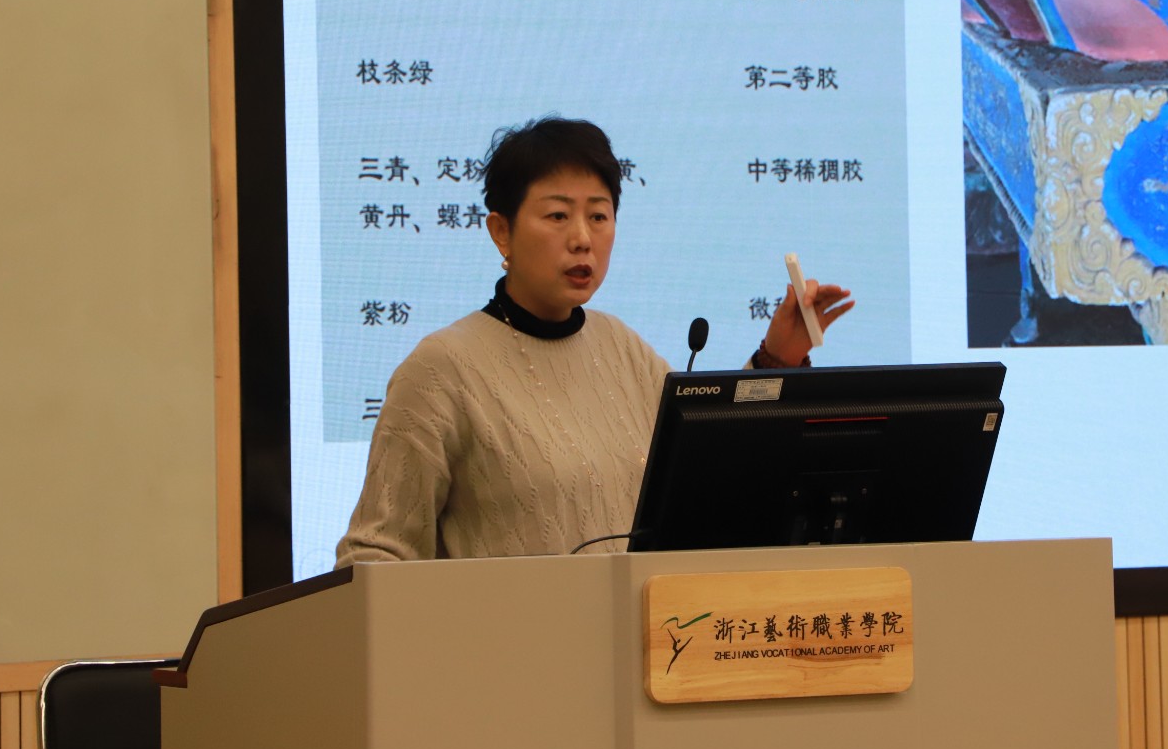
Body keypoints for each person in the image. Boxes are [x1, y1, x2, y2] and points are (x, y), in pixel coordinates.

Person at [335, 117, 852, 563]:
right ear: (501, 232)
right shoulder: (442, 368)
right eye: (558, 215)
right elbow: (375, 555)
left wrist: (777, 358)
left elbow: (713, 475)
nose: (583, 238)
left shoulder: (622, 348)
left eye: (599, 216)